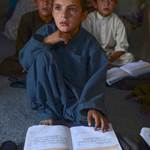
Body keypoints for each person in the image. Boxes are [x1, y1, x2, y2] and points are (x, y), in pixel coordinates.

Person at [19, 0, 109, 131]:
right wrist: (47, 41)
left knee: (90, 121)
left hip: (76, 97)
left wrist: (92, 106)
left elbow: (97, 77)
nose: (64, 15)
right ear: (53, 12)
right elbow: (25, 61)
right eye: (58, 8)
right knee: (42, 55)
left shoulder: (90, 44)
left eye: (72, 9)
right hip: (49, 94)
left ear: (83, 15)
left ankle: (81, 109)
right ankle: (47, 111)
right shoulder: (46, 31)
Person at [0, 0, 53, 77]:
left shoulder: (58, 19)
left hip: (50, 57)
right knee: (6, 66)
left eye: (50, 0)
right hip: (30, 56)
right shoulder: (27, 18)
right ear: (35, 2)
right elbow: (20, 49)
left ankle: (37, 71)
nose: (45, 3)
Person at [82, 0, 134, 66]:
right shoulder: (89, 19)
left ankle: (108, 65)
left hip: (110, 55)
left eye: (111, 0)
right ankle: (106, 65)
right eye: (102, 0)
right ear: (95, 4)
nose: (107, 4)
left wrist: (110, 59)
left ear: (115, 4)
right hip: (93, 54)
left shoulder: (117, 21)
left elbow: (121, 47)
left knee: (129, 57)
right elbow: (86, 44)